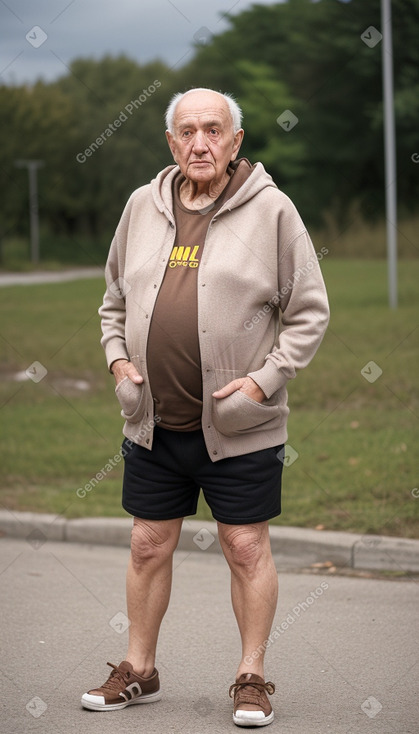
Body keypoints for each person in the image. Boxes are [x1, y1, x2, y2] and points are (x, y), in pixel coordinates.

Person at [81, 87, 329, 727]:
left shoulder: (271, 211)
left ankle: (252, 676)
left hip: (239, 425)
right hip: (152, 420)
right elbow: (112, 300)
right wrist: (118, 362)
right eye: (187, 131)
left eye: (214, 130)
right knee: (146, 544)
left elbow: (308, 314)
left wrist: (262, 383)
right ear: (171, 142)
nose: (200, 143)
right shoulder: (142, 207)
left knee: (245, 546)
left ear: (236, 141)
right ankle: (139, 668)